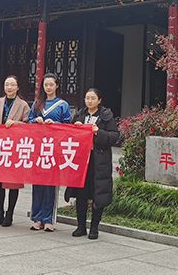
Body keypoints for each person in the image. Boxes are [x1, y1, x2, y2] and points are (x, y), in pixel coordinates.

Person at [65, 88, 119, 240]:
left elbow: (114, 136)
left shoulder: (106, 116)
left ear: (99, 100)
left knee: (98, 194)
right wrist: (75, 127)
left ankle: (94, 227)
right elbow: (69, 135)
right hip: (81, 161)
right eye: (87, 98)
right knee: (81, 194)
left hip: (99, 161)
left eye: (93, 98)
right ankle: (81, 226)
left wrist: (98, 132)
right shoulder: (80, 115)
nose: (89, 101)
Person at [0, 75, 30, 227]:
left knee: (12, 183)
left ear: (17, 87)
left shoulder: (23, 105)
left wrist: (16, 123)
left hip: (14, 148)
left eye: (12, 85)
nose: (9, 87)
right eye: (7, 84)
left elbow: (28, 125)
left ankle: (9, 214)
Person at [28, 72, 71, 232]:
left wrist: (56, 124)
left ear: (57, 85)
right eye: (46, 85)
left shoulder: (62, 105)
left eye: (51, 84)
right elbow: (29, 121)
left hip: (54, 149)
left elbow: (68, 126)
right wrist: (36, 120)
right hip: (39, 148)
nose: (48, 87)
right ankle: (37, 218)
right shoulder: (37, 103)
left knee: (51, 185)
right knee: (38, 184)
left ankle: (48, 219)